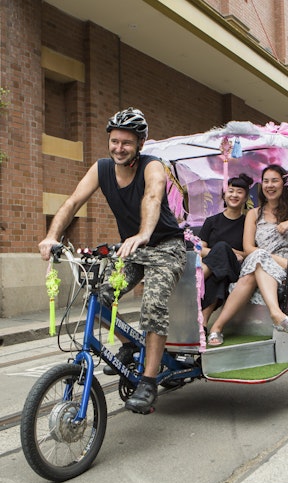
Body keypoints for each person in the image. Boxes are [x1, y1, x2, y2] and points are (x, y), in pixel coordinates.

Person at [38, 108, 185, 415]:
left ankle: (148, 381)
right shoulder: (102, 168)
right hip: (131, 248)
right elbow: (73, 201)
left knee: (153, 305)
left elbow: (153, 197)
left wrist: (144, 232)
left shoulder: (152, 166)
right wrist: (52, 236)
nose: (119, 148)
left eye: (127, 143)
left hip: (164, 246)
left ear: (140, 144)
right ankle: (129, 344)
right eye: (115, 141)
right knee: (98, 296)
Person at [206, 164, 288, 346]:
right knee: (257, 260)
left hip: (285, 270)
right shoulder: (254, 213)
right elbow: (248, 248)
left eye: (275, 181)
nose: (269, 185)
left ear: (284, 184)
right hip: (257, 264)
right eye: (265, 181)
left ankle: (217, 328)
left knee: (257, 263)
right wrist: (267, 257)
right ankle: (275, 315)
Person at [198, 174, 252, 327]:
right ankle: (203, 322)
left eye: (239, 192)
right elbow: (199, 249)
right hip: (221, 271)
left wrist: (229, 252)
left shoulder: (248, 222)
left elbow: (250, 252)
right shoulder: (211, 221)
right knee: (220, 275)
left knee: (222, 247)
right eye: (231, 191)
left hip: (237, 270)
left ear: (245, 197)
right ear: (225, 194)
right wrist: (221, 254)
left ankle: (198, 278)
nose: (234, 195)